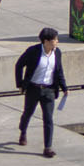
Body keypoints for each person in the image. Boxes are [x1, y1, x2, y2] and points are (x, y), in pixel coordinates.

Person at [13, 26, 68, 158]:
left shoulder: (57, 52)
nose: (57, 42)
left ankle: (48, 147)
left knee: (48, 118)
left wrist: (64, 88)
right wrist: (20, 84)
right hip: (33, 88)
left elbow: (59, 71)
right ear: (46, 41)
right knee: (28, 113)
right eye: (55, 40)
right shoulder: (33, 51)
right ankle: (23, 131)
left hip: (49, 90)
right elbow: (19, 65)